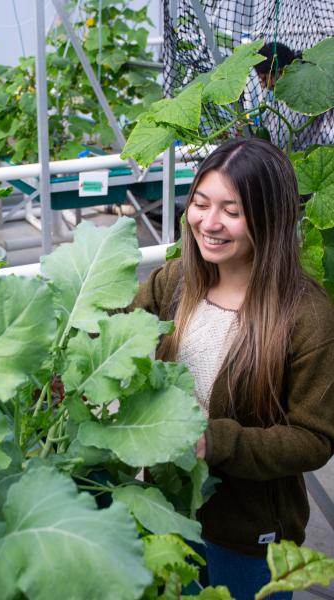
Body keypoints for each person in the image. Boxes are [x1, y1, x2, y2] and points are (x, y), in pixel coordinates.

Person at [130, 138, 334, 599]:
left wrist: (214, 440)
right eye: (200, 204)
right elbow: (119, 336)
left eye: (232, 211)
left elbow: (314, 438)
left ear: (269, 219)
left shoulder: (306, 315)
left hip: (248, 533)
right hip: (166, 506)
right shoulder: (176, 280)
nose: (209, 223)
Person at [253, 41, 334, 149]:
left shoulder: (304, 94)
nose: (262, 85)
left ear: (280, 72)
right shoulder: (300, 84)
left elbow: (280, 142)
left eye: (264, 78)